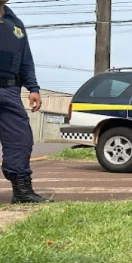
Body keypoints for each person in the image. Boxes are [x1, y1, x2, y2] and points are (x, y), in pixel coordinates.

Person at [0, 0, 53, 203]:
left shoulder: (15, 24)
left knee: (20, 140)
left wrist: (33, 88)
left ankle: (22, 191)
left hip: (10, 91)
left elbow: (25, 60)